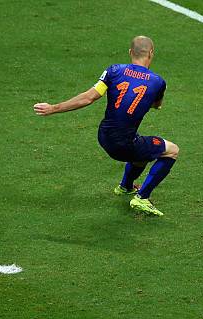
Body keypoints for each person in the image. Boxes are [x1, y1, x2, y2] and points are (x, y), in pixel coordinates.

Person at [33, 36, 178, 217]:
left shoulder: (113, 71)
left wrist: (53, 108)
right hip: (124, 143)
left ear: (130, 53)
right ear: (151, 53)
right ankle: (142, 197)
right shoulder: (157, 82)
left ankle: (125, 187)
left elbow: (89, 97)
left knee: (143, 151)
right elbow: (157, 105)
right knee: (172, 150)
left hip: (104, 136)